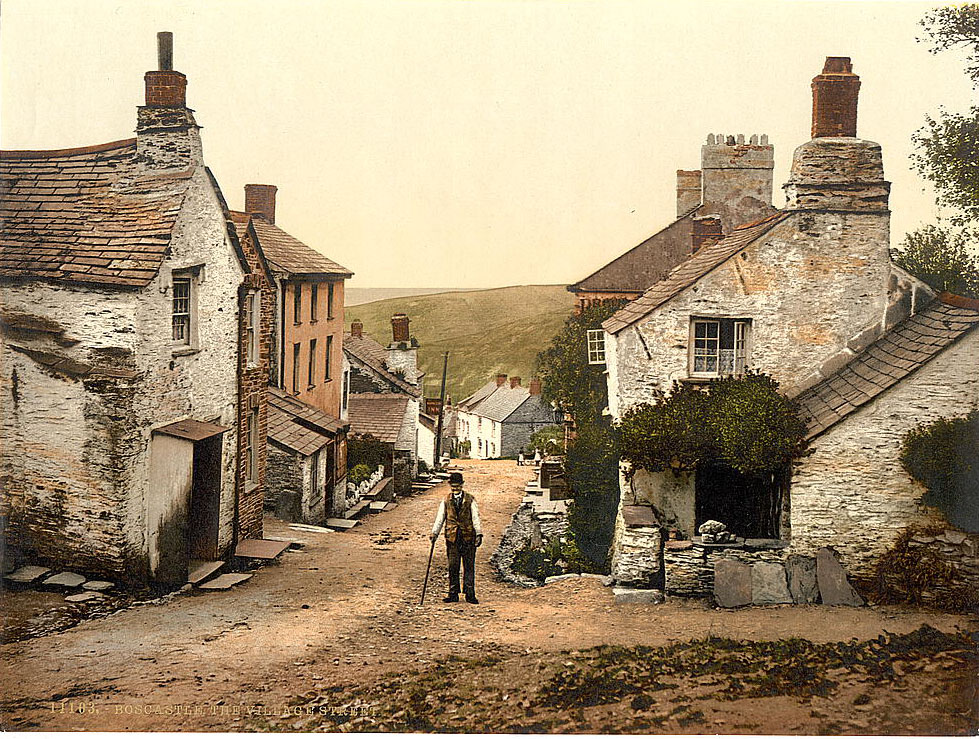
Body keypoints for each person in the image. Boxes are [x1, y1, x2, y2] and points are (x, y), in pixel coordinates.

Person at [430, 471, 483, 603]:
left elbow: (475, 518)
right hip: (452, 538)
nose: (455, 489)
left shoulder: (470, 499)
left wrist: (479, 533)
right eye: (453, 486)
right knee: (453, 566)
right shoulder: (446, 500)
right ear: (450, 485)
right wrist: (434, 533)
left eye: (458, 486)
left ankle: (470, 594)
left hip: (468, 537)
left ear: (462, 485)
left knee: (469, 566)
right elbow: (440, 518)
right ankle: (453, 593)